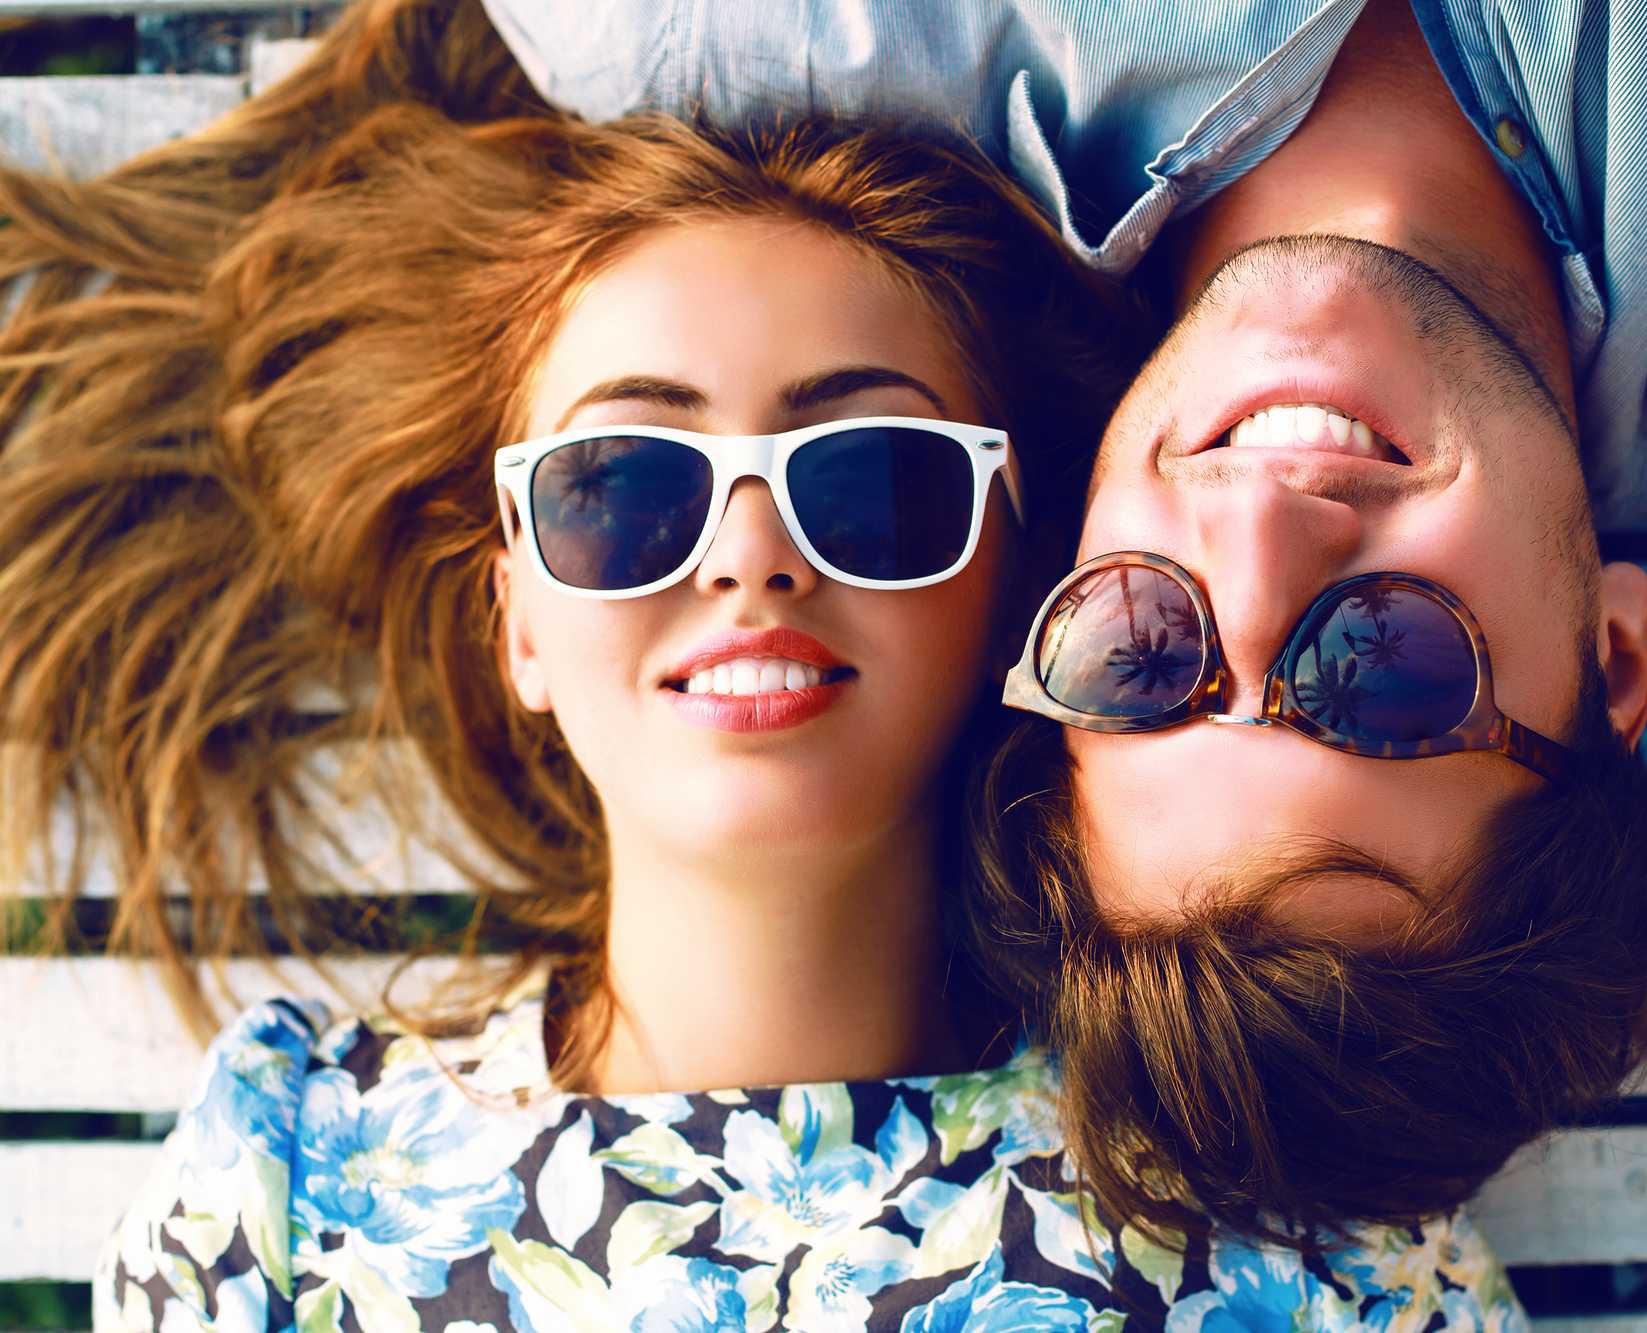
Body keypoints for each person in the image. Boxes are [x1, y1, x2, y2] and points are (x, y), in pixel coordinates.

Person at [0, 2, 1532, 1328]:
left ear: (1025, 591)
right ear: (518, 617)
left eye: (874, 482)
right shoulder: (280, 1194)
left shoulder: (1297, 1225)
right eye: (624, 491)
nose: (747, 558)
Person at [481, 0, 1647, 1217]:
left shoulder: (766, 31)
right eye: (1390, 674)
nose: (1263, 534)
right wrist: (1558, 901)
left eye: (1146, 659)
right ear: (1612, 662)